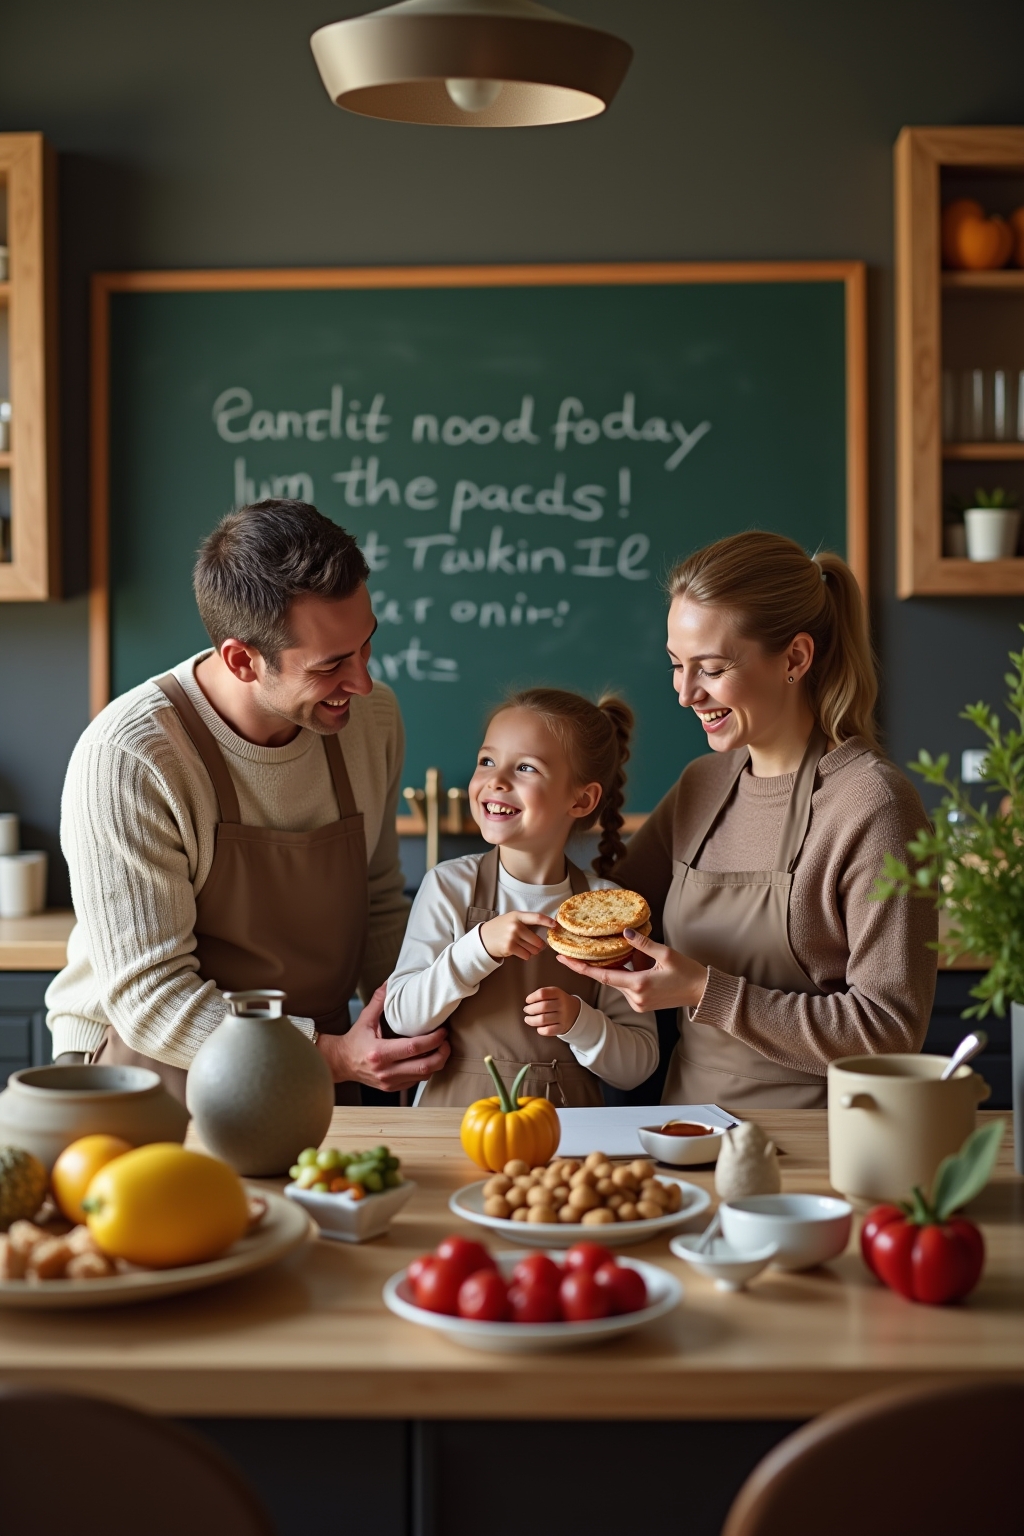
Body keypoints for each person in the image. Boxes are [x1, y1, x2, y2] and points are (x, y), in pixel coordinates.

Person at [46, 499, 449, 1102]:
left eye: (366, 645)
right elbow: (150, 999)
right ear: (242, 660)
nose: (362, 682)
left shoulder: (372, 718)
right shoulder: (131, 757)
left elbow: (379, 903)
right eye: (331, 665)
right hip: (151, 1064)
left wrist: (414, 1023)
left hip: (320, 1053)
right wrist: (330, 1055)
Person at [555, 531, 938, 1110]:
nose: (686, 694)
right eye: (677, 665)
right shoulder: (703, 784)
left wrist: (704, 991)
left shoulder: (873, 805)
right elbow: (605, 918)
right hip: (687, 1128)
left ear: (795, 658)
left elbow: (889, 1031)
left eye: (710, 669)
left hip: (822, 1138)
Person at [385, 689, 659, 1106]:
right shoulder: (449, 885)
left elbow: (638, 1065)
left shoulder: (609, 909)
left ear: (581, 800)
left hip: (568, 1128)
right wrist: (478, 948)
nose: (496, 780)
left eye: (526, 767)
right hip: (452, 1121)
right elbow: (403, 1017)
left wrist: (579, 1021)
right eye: (487, 761)